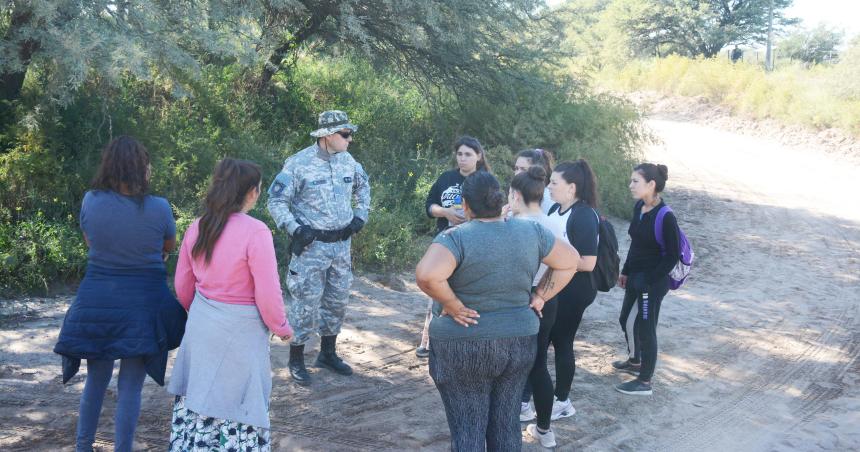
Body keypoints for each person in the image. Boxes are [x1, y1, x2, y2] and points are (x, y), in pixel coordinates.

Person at [415, 171, 579, 451]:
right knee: (505, 427)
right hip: (518, 344)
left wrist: (454, 306)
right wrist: (541, 295)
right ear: (499, 199)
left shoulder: (455, 237)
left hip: (463, 346)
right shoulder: (531, 231)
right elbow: (570, 261)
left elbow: (428, 276)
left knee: (469, 429)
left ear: (465, 205)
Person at [53, 136, 185, 452]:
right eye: (147, 162)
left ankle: (83, 447)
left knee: (96, 381)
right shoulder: (160, 207)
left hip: (97, 302)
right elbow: (168, 246)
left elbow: (92, 242)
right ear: (139, 168)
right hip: (142, 306)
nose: (151, 167)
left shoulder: (90, 201)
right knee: (130, 387)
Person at [168, 158, 293, 450]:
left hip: (201, 325)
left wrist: (202, 314)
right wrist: (281, 327)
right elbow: (268, 291)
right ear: (252, 191)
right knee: (239, 405)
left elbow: (183, 286)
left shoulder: (198, 226)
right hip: (242, 332)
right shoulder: (256, 231)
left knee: (198, 398)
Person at [267, 110, 371, 385]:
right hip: (311, 247)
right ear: (327, 136)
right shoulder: (298, 164)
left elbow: (364, 189)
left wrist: (360, 216)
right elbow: (275, 201)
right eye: (345, 134)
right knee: (305, 304)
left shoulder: (349, 162)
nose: (350, 139)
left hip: (341, 246)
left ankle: (327, 353)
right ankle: (296, 359)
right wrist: (294, 228)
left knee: (337, 301)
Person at [416, 136, 491, 358]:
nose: (463, 158)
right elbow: (429, 206)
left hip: (475, 242)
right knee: (437, 289)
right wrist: (446, 212)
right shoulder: (447, 178)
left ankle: (471, 341)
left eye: (468, 154)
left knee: (470, 290)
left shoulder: (486, 180)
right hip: (445, 241)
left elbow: (493, 212)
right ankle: (428, 341)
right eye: (460, 154)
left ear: (478, 155)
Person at [507, 167, 566, 448]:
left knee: (509, 367)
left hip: (517, 298)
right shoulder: (551, 222)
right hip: (546, 300)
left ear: (515, 195)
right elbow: (566, 263)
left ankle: (505, 427)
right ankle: (545, 430)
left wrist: (535, 292)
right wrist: (543, 292)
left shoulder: (512, 225)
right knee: (538, 364)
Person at [613, 163, 680, 396]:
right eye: (631, 181)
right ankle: (635, 361)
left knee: (645, 327)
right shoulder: (640, 206)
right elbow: (637, 243)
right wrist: (626, 270)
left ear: (651, 185)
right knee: (625, 320)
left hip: (652, 282)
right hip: (637, 277)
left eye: (635, 181)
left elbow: (673, 256)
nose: (630, 185)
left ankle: (645, 381)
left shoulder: (666, 217)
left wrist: (649, 280)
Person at [545, 159, 600, 420]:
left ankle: (562, 400)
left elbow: (588, 262)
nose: (549, 186)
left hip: (576, 289)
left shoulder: (584, 215)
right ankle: (537, 398)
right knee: (544, 340)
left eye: (554, 182)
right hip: (555, 284)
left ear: (572, 188)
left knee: (562, 341)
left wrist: (558, 262)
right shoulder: (555, 209)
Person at [512, 148, 556, 214]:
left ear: (536, 170)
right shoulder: (519, 193)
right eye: (516, 168)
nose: (517, 173)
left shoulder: (548, 197)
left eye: (523, 169)